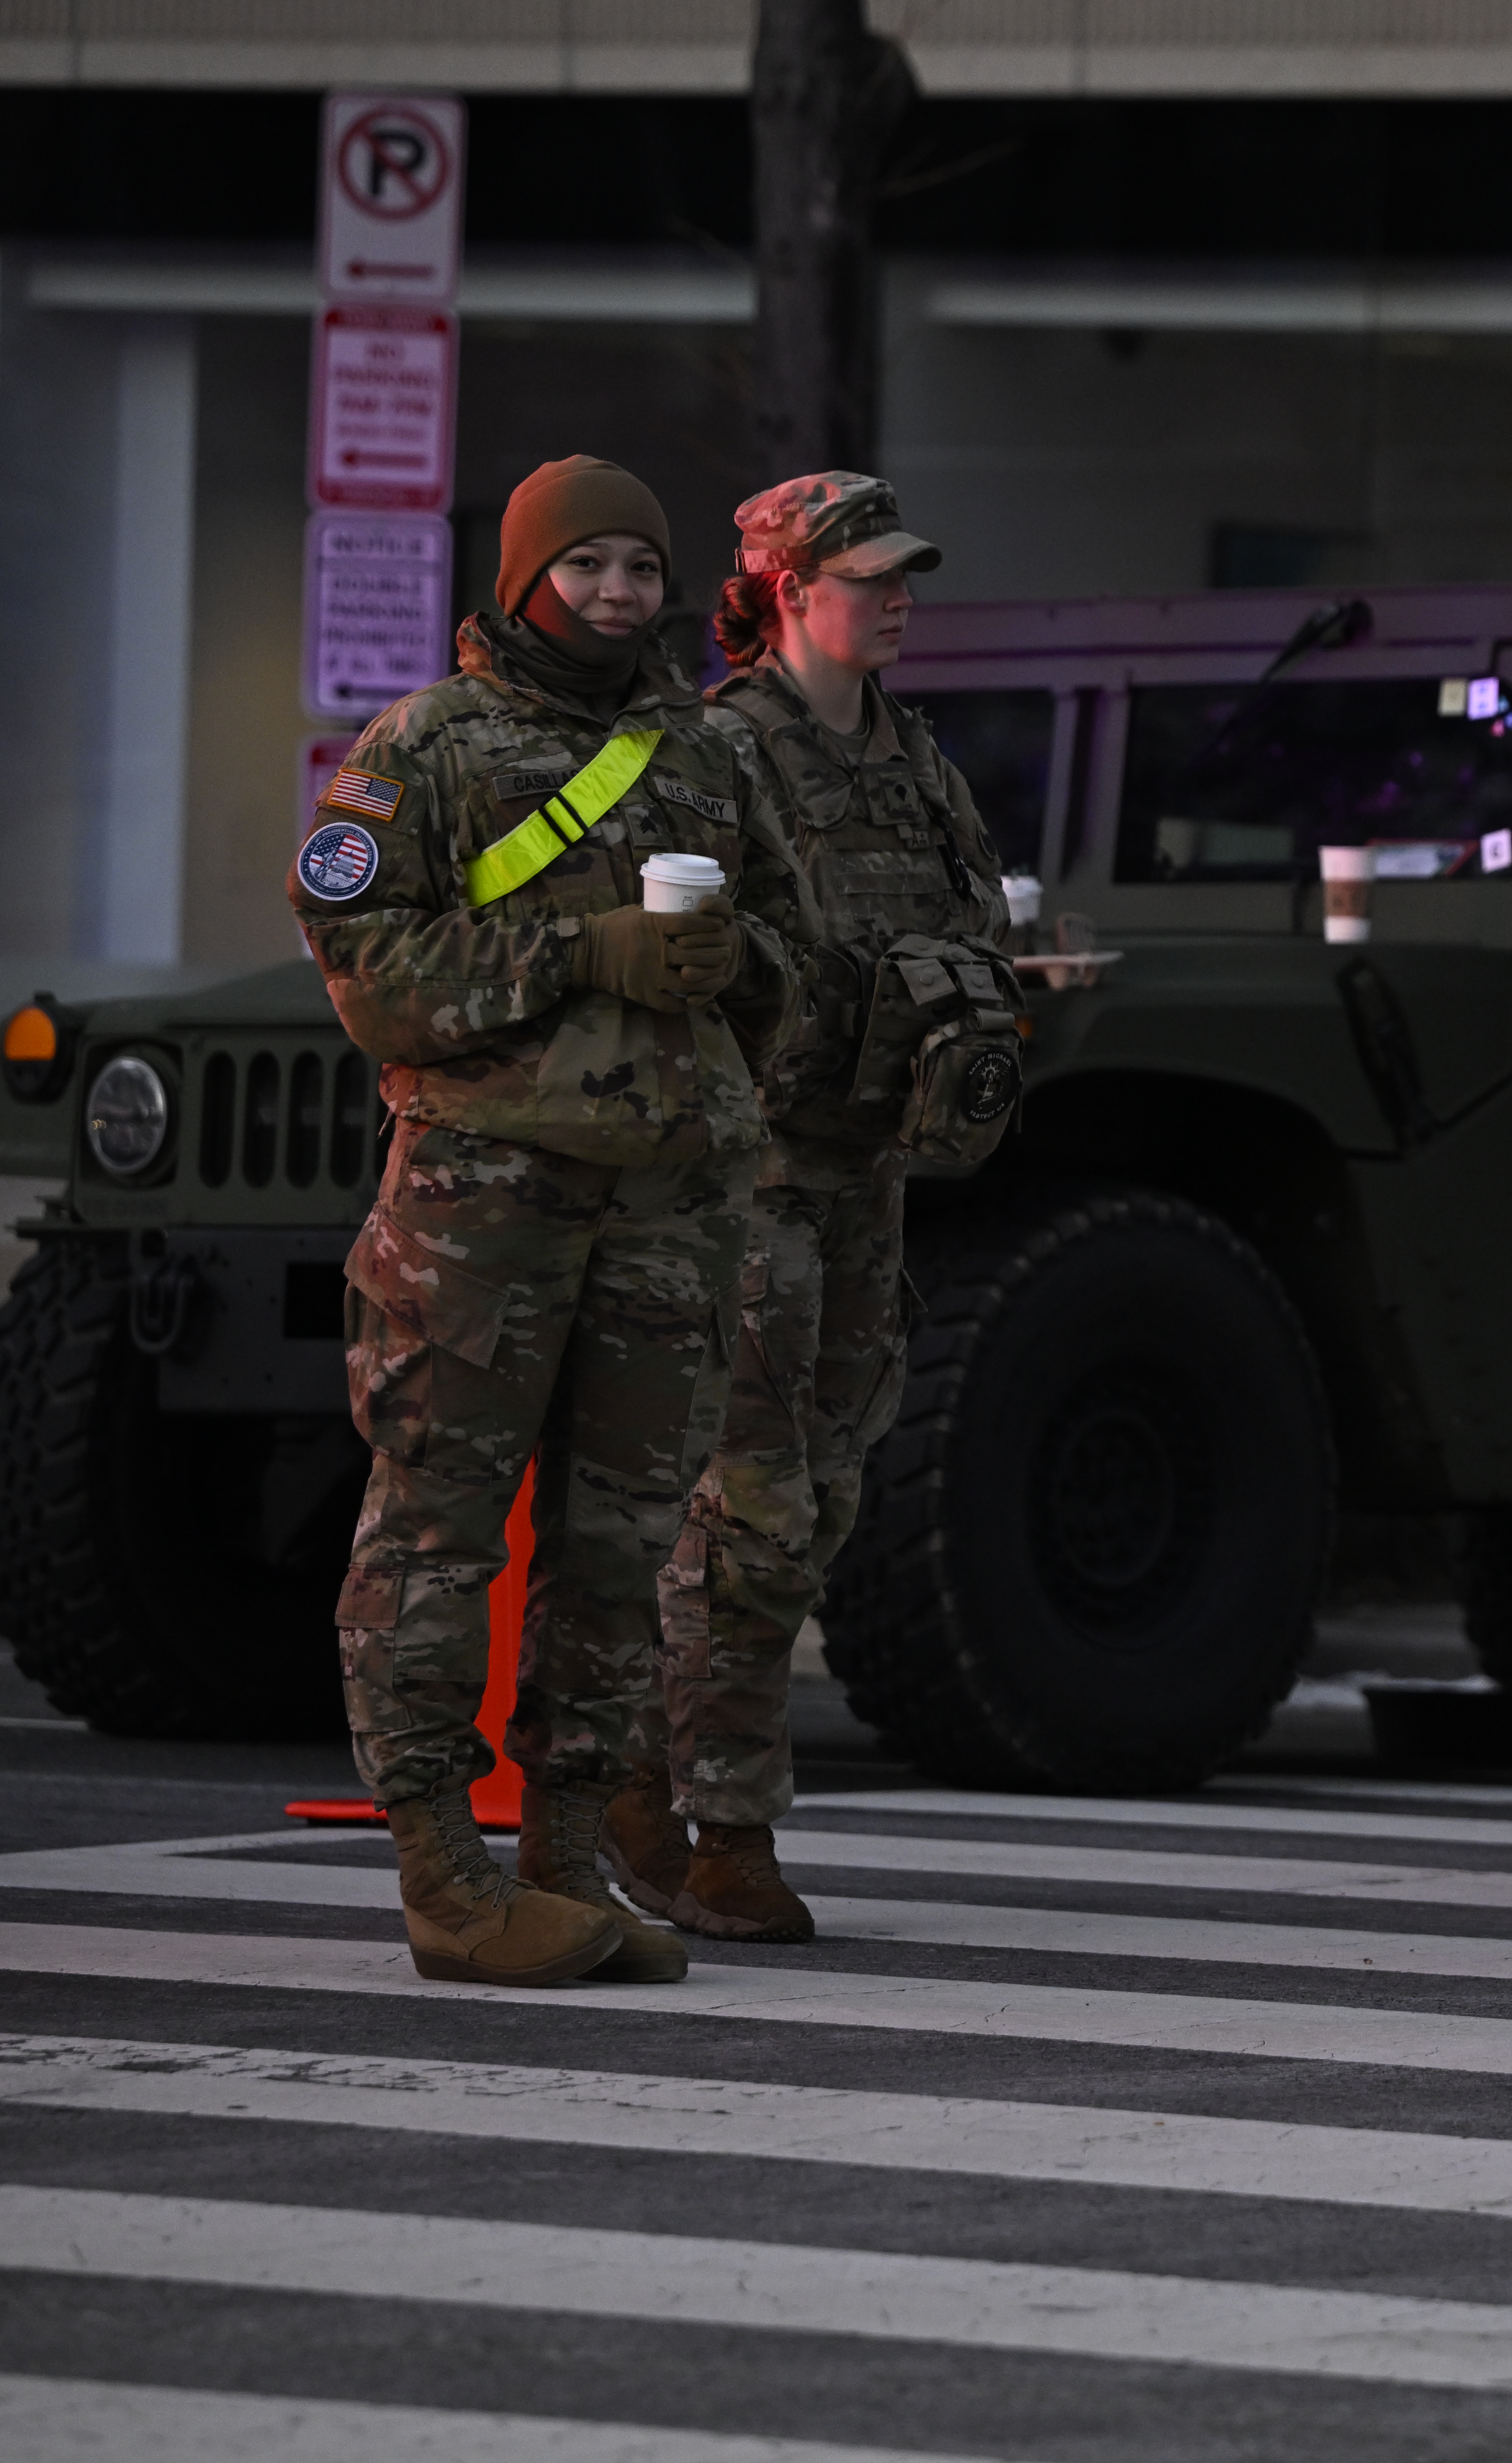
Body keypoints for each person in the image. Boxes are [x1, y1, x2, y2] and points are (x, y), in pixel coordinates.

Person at [292, 454, 802, 1988]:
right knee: (435, 1533)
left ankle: (567, 1860)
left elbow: (790, 945)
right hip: (480, 1211)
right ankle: (446, 1875)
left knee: (616, 1547)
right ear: (523, 578)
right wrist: (581, 956)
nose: (616, 595)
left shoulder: (705, 753)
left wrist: (729, 963)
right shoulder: (425, 749)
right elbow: (365, 960)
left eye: (640, 570)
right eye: (584, 567)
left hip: (666, 1205)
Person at [608, 470, 1018, 1947]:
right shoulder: (722, 756)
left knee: (822, 1493)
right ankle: (717, 1818)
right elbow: (688, 972)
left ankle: (645, 1772)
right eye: (869, 575)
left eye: (906, 573)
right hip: (752, 1181)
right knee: (752, 1505)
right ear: (788, 587)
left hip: (867, 1180)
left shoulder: (910, 758)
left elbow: (965, 924)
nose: (898, 597)